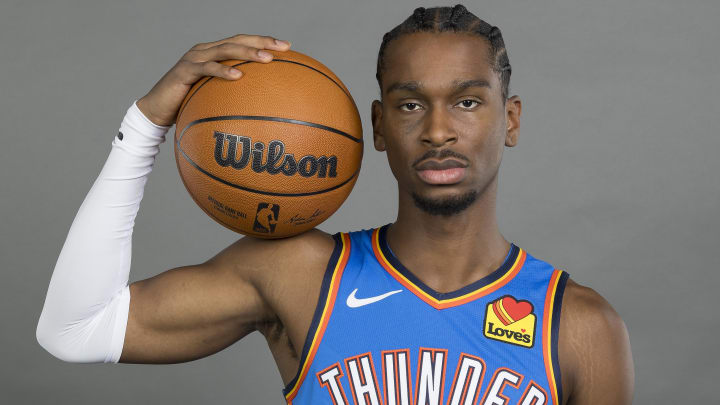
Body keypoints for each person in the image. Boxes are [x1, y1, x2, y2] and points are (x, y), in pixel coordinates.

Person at [36, 5, 634, 404]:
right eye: (408, 105)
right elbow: (73, 329)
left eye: (468, 103)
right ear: (376, 126)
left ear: (511, 119)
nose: (438, 130)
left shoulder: (578, 326)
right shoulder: (299, 272)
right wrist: (143, 126)